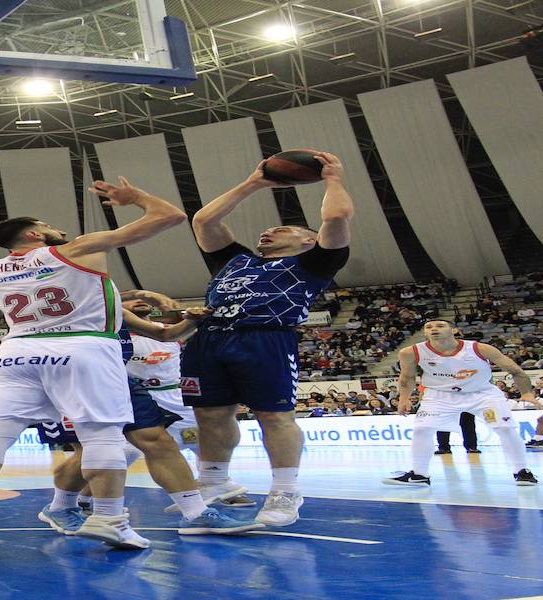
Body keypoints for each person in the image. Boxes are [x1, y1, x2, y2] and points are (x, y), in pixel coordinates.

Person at [0, 176, 187, 556]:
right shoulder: (79, 249)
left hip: (16, 353)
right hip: (83, 347)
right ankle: (109, 518)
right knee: (101, 437)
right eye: (49, 225)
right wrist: (135, 197)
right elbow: (171, 216)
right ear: (34, 234)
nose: (58, 230)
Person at [182, 153, 353, 526]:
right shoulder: (235, 260)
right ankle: (213, 480)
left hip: (265, 339)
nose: (268, 231)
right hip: (209, 339)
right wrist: (254, 183)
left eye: (282, 228)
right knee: (209, 415)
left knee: (274, 417)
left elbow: (336, 217)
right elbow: (204, 220)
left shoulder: (315, 263)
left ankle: (285, 491)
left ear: (309, 240)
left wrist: (333, 179)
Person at [39, 301, 261, 538]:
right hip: (75, 381)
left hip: (120, 382)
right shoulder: (73, 308)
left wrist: (193, 317)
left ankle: (197, 512)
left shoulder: (113, 307)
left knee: (159, 442)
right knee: (93, 451)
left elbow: (165, 333)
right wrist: (140, 294)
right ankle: (63, 506)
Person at [384, 320, 540, 486]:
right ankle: (419, 474)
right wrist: (403, 399)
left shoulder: (479, 348)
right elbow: (406, 378)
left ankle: (522, 471)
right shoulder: (411, 352)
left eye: (440, 326)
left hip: (481, 393)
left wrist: (527, 393)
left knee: (504, 428)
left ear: (454, 330)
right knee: (422, 429)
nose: (434, 329)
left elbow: (515, 371)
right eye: (429, 327)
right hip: (439, 395)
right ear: (425, 333)